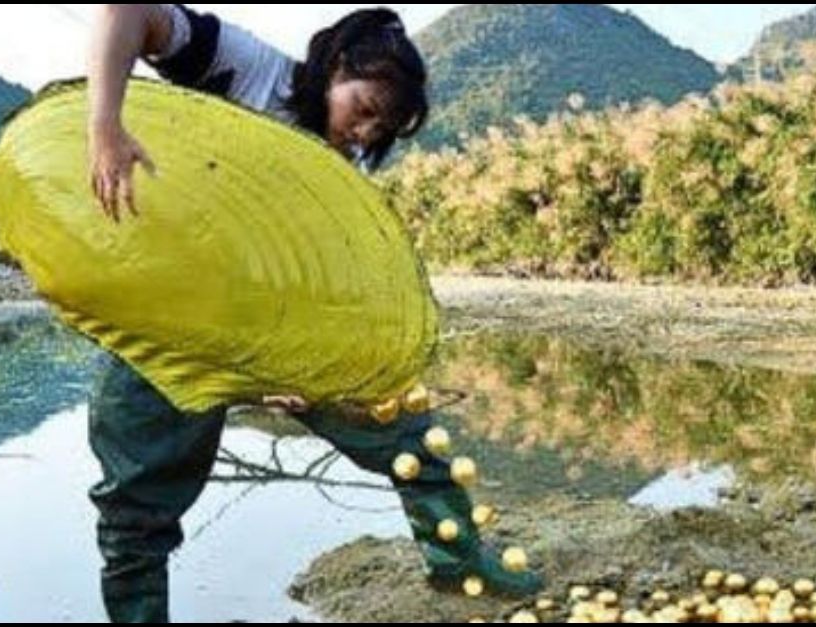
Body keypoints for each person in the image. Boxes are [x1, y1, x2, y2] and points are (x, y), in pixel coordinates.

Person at [83, 5, 543, 622]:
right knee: (135, 505)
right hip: (175, 321)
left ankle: (457, 565)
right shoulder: (246, 70)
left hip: (282, 333)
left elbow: (324, 278)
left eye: (384, 131)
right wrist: (104, 127)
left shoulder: (338, 173)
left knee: (411, 437)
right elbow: (129, 9)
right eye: (365, 109)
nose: (367, 134)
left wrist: (301, 375)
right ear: (336, 66)